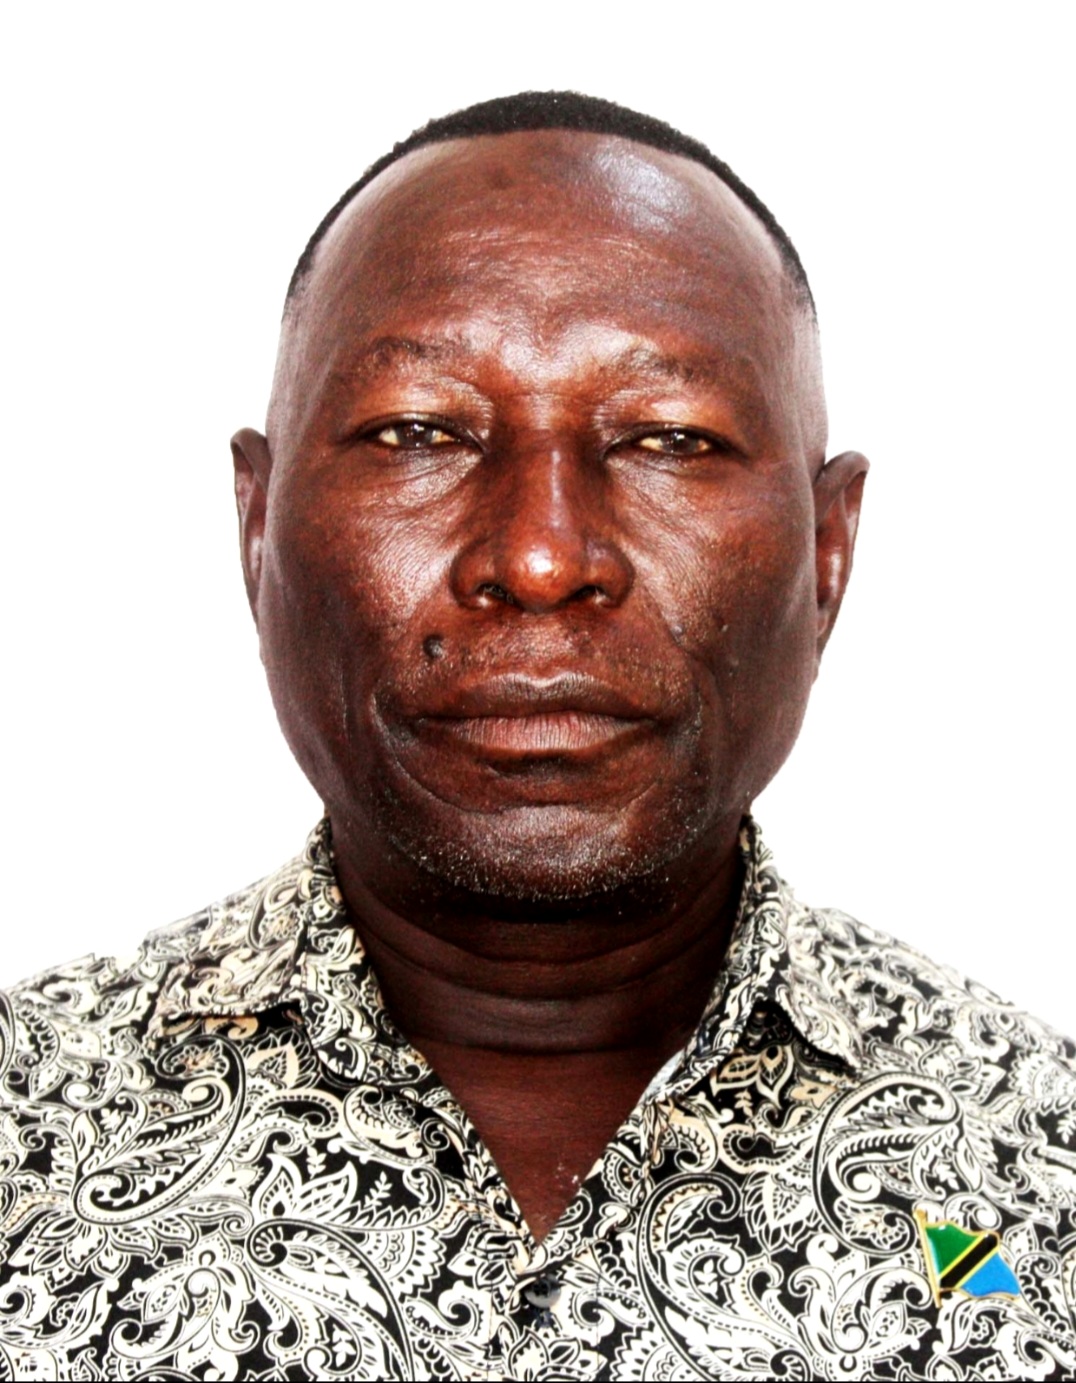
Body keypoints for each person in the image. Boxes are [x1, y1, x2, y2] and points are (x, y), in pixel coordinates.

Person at [0, 90, 1072, 1381]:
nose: (544, 556)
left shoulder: (1036, 1179)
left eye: (669, 438)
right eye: (419, 431)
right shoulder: (23, 1135)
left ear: (828, 551)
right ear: (260, 525)